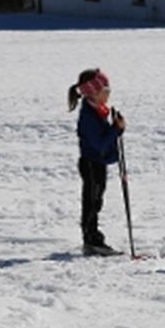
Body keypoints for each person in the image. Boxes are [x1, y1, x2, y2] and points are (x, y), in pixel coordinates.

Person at [67, 69, 126, 257]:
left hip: (97, 163)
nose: (108, 94)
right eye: (105, 90)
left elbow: (104, 139)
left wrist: (116, 128)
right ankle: (91, 240)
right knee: (91, 203)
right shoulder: (88, 116)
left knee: (96, 201)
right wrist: (115, 130)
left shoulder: (98, 112)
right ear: (93, 92)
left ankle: (93, 239)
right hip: (91, 164)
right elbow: (100, 144)